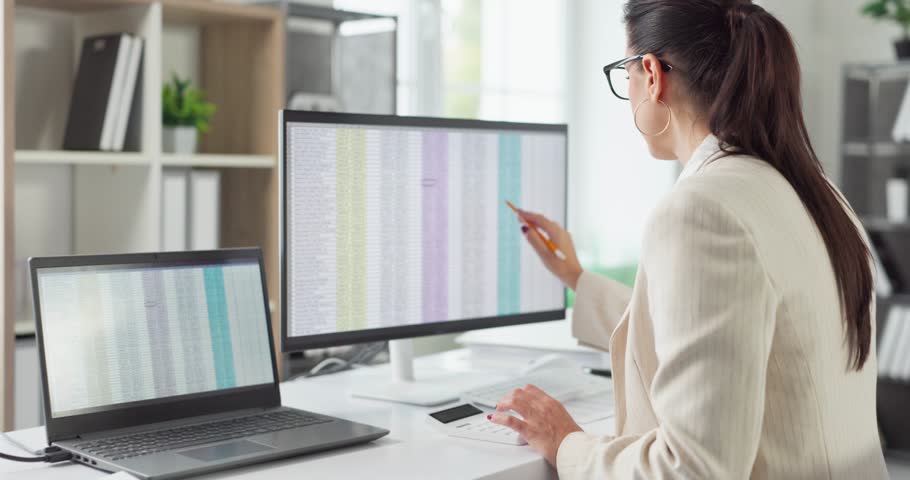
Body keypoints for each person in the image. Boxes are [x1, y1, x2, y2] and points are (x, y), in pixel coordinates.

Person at [489, 0, 889, 478]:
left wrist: (566, 443)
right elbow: (724, 326)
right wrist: (575, 276)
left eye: (626, 73)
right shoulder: (815, 194)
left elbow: (693, 469)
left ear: (652, 75)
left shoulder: (702, 208)